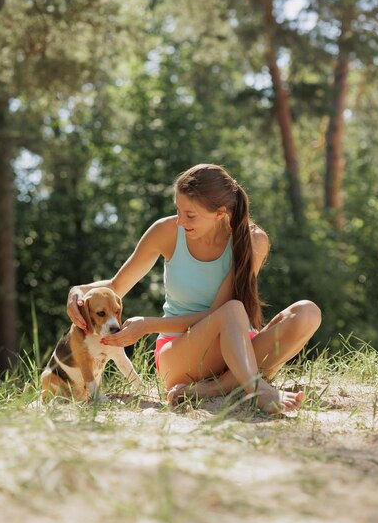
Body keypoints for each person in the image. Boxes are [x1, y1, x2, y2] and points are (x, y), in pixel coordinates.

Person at [67, 164, 321, 414]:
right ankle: (257, 388)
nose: (180, 221)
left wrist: (148, 324)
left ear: (220, 213)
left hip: (238, 346)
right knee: (233, 310)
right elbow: (116, 286)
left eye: (190, 215)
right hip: (180, 354)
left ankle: (214, 388)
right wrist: (77, 290)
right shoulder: (166, 232)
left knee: (308, 312)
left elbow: (220, 313)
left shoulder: (252, 240)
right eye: (178, 210)